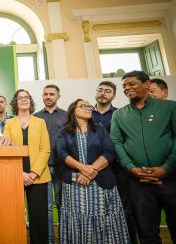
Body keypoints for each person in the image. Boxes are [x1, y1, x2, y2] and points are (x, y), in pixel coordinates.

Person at [111, 70, 176, 244]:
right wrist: (131, 167)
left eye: (132, 84)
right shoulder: (119, 114)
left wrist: (166, 168)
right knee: (147, 232)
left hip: (170, 179)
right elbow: (116, 142)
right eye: (124, 85)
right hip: (137, 182)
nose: (127, 88)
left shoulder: (170, 107)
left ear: (147, 85)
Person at [57, 99, 129, 243]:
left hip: (101, 183)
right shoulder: (64, 132)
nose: (89, 108)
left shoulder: (100, 129)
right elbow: (62, 153)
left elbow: (109, 152)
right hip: (75, 185)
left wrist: (91, 171)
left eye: (89, 106)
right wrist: (83, 168)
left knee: (105, 219)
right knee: (77, 218)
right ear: (73, 110)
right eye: (83, 106)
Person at [92, 80, 138, 243]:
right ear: (96, 92)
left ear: (114, 95)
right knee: (96, 210)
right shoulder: (86, 113)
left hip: (117, 169)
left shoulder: (121, 114)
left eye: (108, 91)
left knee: (125, 210)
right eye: (100, 90)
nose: (103, 93)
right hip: (93, 169)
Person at [4, 89, 51, 244]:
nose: (23, 100)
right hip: (15, 175)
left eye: (26, 97)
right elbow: (7, 150)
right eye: (20, 98)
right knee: (13, 217)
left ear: (30, 101)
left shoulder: (40, 122)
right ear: (15, 102)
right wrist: (20, 174)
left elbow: (45, 149)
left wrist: (33, 173)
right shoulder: (9, 123)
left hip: (38, 176)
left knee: (39, 218)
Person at [33, 84, 67, 244]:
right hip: (42, 168)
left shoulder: (67, 116)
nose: (48, 96)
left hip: (62, 168)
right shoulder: (36, 117)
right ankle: (48, 240)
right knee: (46, 207)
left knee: (62, 205)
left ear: (58, 96)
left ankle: (63, 239)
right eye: (45, 94)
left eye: (51, 94)